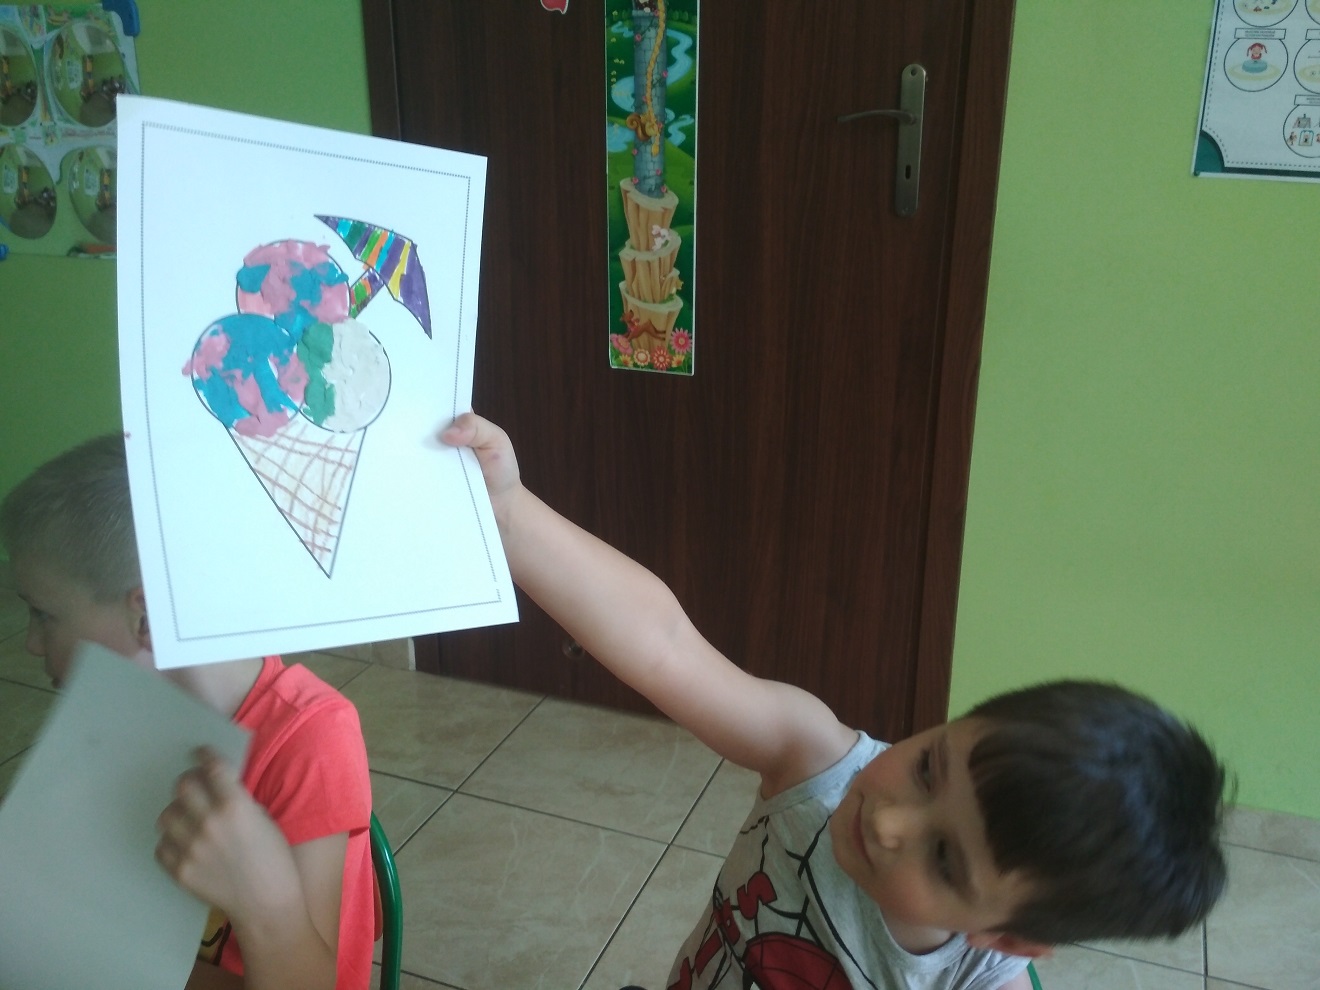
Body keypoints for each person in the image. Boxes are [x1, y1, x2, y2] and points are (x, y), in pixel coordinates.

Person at [441, 412, 1230, 990]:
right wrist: (507, 510)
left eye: (945, 858)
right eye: (927, 770)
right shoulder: (813, 762)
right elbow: (665, 643)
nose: (889, 822)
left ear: (1006, 936)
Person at [0, 434, 375, 990]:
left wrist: (266, 904)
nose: (32, 644)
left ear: (147, 615)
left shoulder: (312, 743)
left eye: (44, 615)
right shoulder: (113, 712)